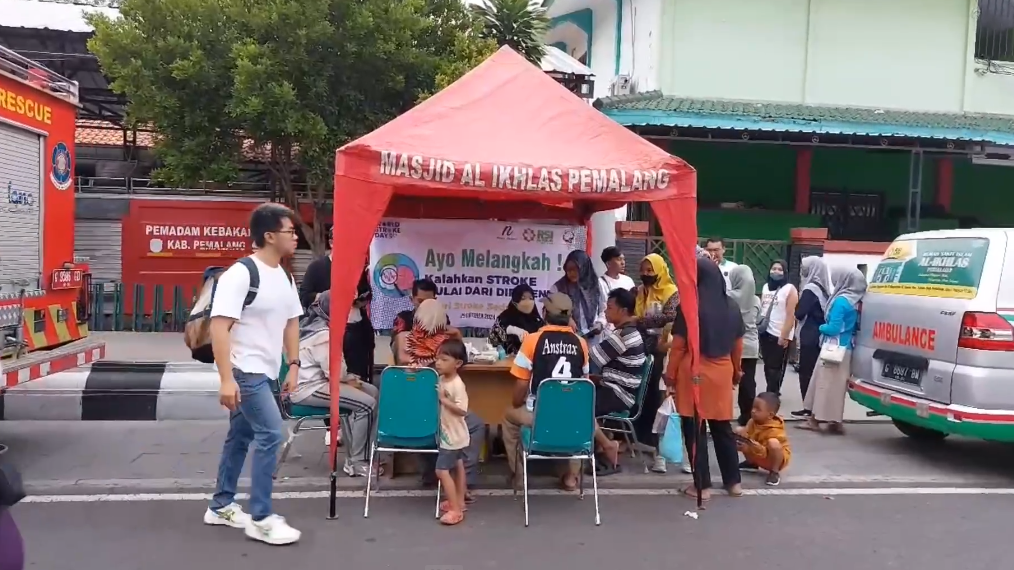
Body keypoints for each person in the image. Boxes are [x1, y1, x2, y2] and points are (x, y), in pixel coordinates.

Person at [204, 202, 304, 545]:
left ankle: (221, 506)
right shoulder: (242, 274)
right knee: (272, 435)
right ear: (269, 235)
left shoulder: (285, 275)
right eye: (290, 231)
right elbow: (220, 328)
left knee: (241, 438)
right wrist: (226, 379)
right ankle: (261, 516)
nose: (296, 237)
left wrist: (293, 364)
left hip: (267, 370)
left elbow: (292, 321)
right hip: (245, 371)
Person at [667, 256, 745, 501]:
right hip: (722, 373)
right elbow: (737, 345)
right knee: (723, 428)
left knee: (695, 429)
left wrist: (669, 375)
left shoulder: (689, 307)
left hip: (694, 372)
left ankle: (702, 486)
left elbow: (678, 347)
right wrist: (736, 371)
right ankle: (734, 483)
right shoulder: (732, 306)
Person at [502, 292, 588, 491]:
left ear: (544, 313)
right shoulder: (581, 343)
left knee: (508, 417)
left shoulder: (533, 340)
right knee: (578, 421)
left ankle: (518, 476)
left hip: (538, 415)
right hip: (572, 414)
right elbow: (584, 383)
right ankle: (571, 477)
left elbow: (521, 385)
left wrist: (517, 404)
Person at [290, 291, 380, 477]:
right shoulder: (324, 334)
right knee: (367, 404)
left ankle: (358, 449)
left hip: (319, 381)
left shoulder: (319, 326)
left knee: (371, 390)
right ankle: (357, 461)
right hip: (309, 388)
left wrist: (351, 380)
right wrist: (350, 380)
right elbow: (335, 373)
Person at [800, 266, 866, 435]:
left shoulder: (841, 302)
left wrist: (821, 327)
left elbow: (833, 328)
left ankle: (815, 420)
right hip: (847, 348)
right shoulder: (857, 300)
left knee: (823, 385)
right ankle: (835, 421)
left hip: (832, 348)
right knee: (837, 388)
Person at [588, 288, 647, 474]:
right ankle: (599, 445)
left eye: (610, 307)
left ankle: (607, 444)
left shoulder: (623, 335)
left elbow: (592, 358)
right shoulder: (627, 331)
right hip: (618, 387)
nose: (606, 311)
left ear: (623, 311)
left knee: (579, 405)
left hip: (620, 393)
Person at [632, 253, 679, 473]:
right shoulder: (640, 291)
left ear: (660, 270)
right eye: (643, 270)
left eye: (650, 270)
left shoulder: (671, 292)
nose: (646, 274)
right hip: (643, 348)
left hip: (663, 349)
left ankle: (661, 450)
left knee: (660, 398)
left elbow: (670, 317)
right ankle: (643, 440)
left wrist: (640, 321)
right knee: (643, 396)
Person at [432, 338, 470, 526]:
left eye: (444, 359)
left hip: (453, 435)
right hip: (452, 433)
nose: (438, 363)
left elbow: (462, 409)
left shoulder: (456, 384)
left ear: (458, 364)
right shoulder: (442, 378)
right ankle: (459, 501)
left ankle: (455, 510)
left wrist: (443, 400)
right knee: (458, 464)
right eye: (437, 358)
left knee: (441, 470)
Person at [791, 256, 832, 418]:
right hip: (819, 335)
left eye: (804, 267)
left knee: (806, 372)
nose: (802, 270)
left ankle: (808, 408)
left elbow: (800, 313)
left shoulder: (810, 289)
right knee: (815, 372)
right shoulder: (823, 288)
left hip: (810, 335)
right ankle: (814, 407)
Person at [758, 259, 798, 395]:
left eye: (780, 269)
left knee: (776, 367)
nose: (776, 272)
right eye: (774, 268)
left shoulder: (790, 289)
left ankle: (773, 393)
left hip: (780, 333)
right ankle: (771, 390)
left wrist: (784, 336)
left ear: (785, 272)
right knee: (767, 365)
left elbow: (790, 315)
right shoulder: (765, 287)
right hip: (765, 331)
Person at [728, 265, 761, 426]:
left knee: (728, 380)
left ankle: (723, 414)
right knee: (748, 383)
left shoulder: (728, 296)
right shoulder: (756, 299)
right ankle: (747, 415)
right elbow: (759, 319)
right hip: (751, 345)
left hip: (731, 344)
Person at [736, 392, 791, 486]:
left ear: (770, 415)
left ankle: (774, 472)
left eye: (758, 409)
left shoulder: (775, 430)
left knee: (773, 443)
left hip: (772, 459)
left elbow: (765, 452)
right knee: (739, 431)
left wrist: (750, 447)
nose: (753, 411)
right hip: (758, 452)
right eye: (753, 407)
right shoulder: (752, 421)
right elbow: (747, 436)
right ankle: (752, 463)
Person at [551, 250, 606, 341]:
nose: (571, 273)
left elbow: (604, 308)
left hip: (593, 338)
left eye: (575, 269)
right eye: (568, 270)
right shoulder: (558, 287)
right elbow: (551, 309)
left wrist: (600, 323)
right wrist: (566, 318)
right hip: (568, 338)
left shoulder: (597, 284)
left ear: (584, 267)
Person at [391, 279, 453, 357]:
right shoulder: (403, 318)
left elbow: (448, 348)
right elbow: (395, 347)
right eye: (420, 301)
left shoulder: (442, 318)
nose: (425, 305)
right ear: (412, 299)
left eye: (429, 301)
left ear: (435, 300)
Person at [487, 284, 545, 355]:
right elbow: (492, 338)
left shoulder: (537, 319)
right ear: (515, 301)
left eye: (531, 298)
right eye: (523, 298)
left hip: (533, 362)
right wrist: (511, 329)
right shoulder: (505, 317)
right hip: (508, 362)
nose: (528, 302)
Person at [298, 226, 333, 309]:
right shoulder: (316, 267)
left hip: (356, 319)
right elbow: (304, 297)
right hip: (325, 319)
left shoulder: (357, 268)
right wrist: (326, 296)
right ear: (331, 243)